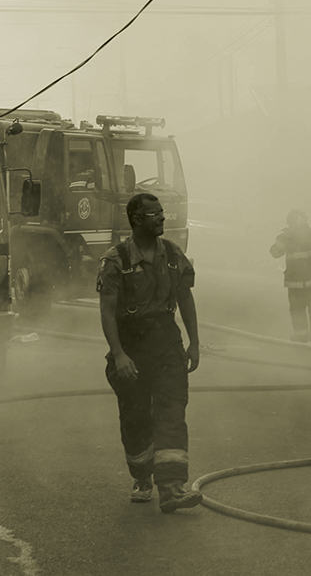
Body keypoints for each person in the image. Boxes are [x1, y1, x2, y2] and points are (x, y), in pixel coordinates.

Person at [97, 192, 202, 513]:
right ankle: (142, 477)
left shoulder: (172, 254)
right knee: (136, 417)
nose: (162, 218)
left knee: (172, 411)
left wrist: (194, 342)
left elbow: (185, 298)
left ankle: (172, 488)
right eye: (155, 214)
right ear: (137, 220)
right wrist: (119, 355)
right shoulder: (116, 260)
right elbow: (106, 311)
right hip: (132, 345)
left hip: (167, 343)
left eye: (162, 213)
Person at [269, 209, 311, 344]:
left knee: (297, 310)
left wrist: (283, 238)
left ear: (291, 221)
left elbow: (275, 252)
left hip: (295, 284)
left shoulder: (287, 236)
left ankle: (301, 337)